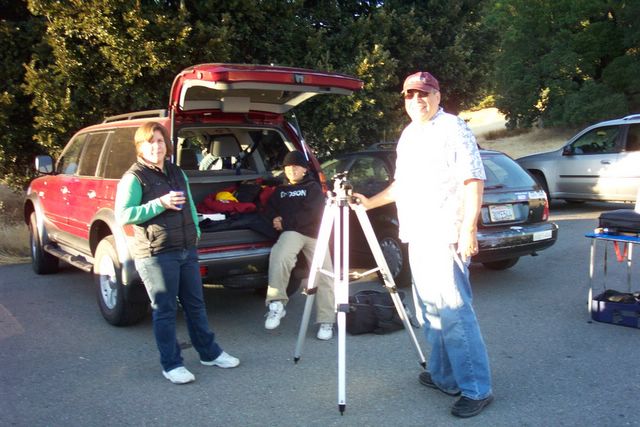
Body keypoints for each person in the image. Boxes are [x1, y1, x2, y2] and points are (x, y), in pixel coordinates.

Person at [353, 71, 493, 418]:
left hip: (445, 233)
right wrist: (368, 204)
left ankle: (476, 388)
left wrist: (468, 229)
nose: (417, 100)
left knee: (455, 313)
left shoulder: (453, 128)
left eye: (423, 93)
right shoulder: (408, 135)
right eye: (409, 94)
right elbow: (402, 184)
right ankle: (445, 376)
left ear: (437, 95)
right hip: (416, 234)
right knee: (430, 312)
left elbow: (473, 180)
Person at [115, 121, 239, 384]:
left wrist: (196, 232)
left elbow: (190, 204)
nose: (156, 147)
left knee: (196, 305)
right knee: (165, 309)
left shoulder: (176, 172)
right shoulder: (134, 177)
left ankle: (209, 353)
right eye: (150, 142)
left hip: (186, 249)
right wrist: (159, 203)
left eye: (160, 141)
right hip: (156, 254)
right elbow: (124, 215)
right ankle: (171, 364)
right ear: (140, 147)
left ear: (166, 144)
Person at [263, 150, 335, 340]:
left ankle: (326, 319)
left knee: (325, 273)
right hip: (292, 232)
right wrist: (274, 218)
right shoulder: (280, 191)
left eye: (296, 166)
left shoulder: (313, 187)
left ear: (304, 169)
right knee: (280, 255)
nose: (291, 170)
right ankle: (277, 303)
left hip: (314, 234)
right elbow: (268, 210)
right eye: (288, 167)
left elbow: (312, 213)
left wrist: (285, 222)